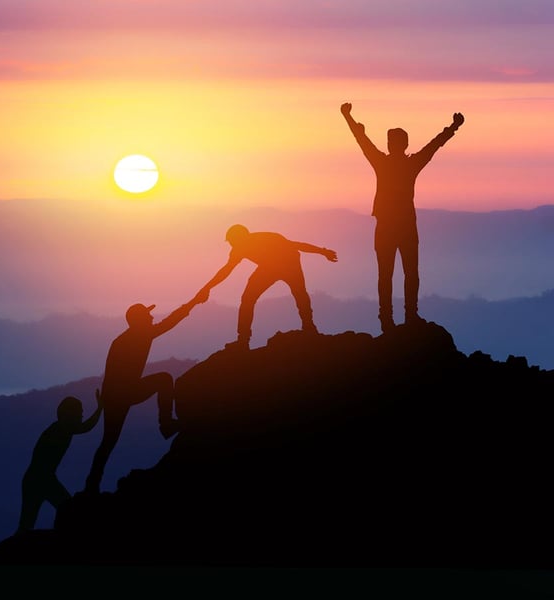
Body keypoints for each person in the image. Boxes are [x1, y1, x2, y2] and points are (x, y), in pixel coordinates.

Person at [340, 102, 465, 332]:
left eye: (392, 142)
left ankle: (388, 320)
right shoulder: (411, 164)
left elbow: (363, 142)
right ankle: (408, 316)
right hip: (405, 226)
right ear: (404, 144)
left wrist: (348, 117)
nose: (392, 146)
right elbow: (434, 145)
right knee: (408, 273)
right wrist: (453, 127)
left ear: (393, 145)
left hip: (389, 226)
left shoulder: (383, 162)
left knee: (387, 275)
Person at [83, 298, 200, 494]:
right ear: (139, 320)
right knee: (164, 379)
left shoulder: (123, 339)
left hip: (113, 396)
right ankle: (166, 424)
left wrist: (105, 400)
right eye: (147, 315)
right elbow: (170, 322)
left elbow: (109, 373)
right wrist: (193, 304)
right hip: (124, 392)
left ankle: (91, 485)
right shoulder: (141, 335)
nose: (152, 316)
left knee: (108, 442)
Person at [195, 224, 338, 349]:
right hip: (268, 268)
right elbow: (226, 271)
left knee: (299, 293)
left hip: (290, 263)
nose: (232, 245)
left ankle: (309, 328)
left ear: (242, 238)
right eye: (231, 243)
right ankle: (243, 340)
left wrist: (323, 251)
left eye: (232, 241)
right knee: (248, 299)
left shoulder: (269, 238)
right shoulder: (239, 249)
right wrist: (207, 288)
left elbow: (296, 245)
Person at [16, 392, 103, 533]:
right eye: (79, 412)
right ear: (69, 413)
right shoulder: (63, 428)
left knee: (27, 524)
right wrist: (99, 409)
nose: (81, 416)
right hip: (40, 480)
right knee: (67, 511)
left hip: (38, 479)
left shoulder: (59, 427)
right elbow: (86, 427)